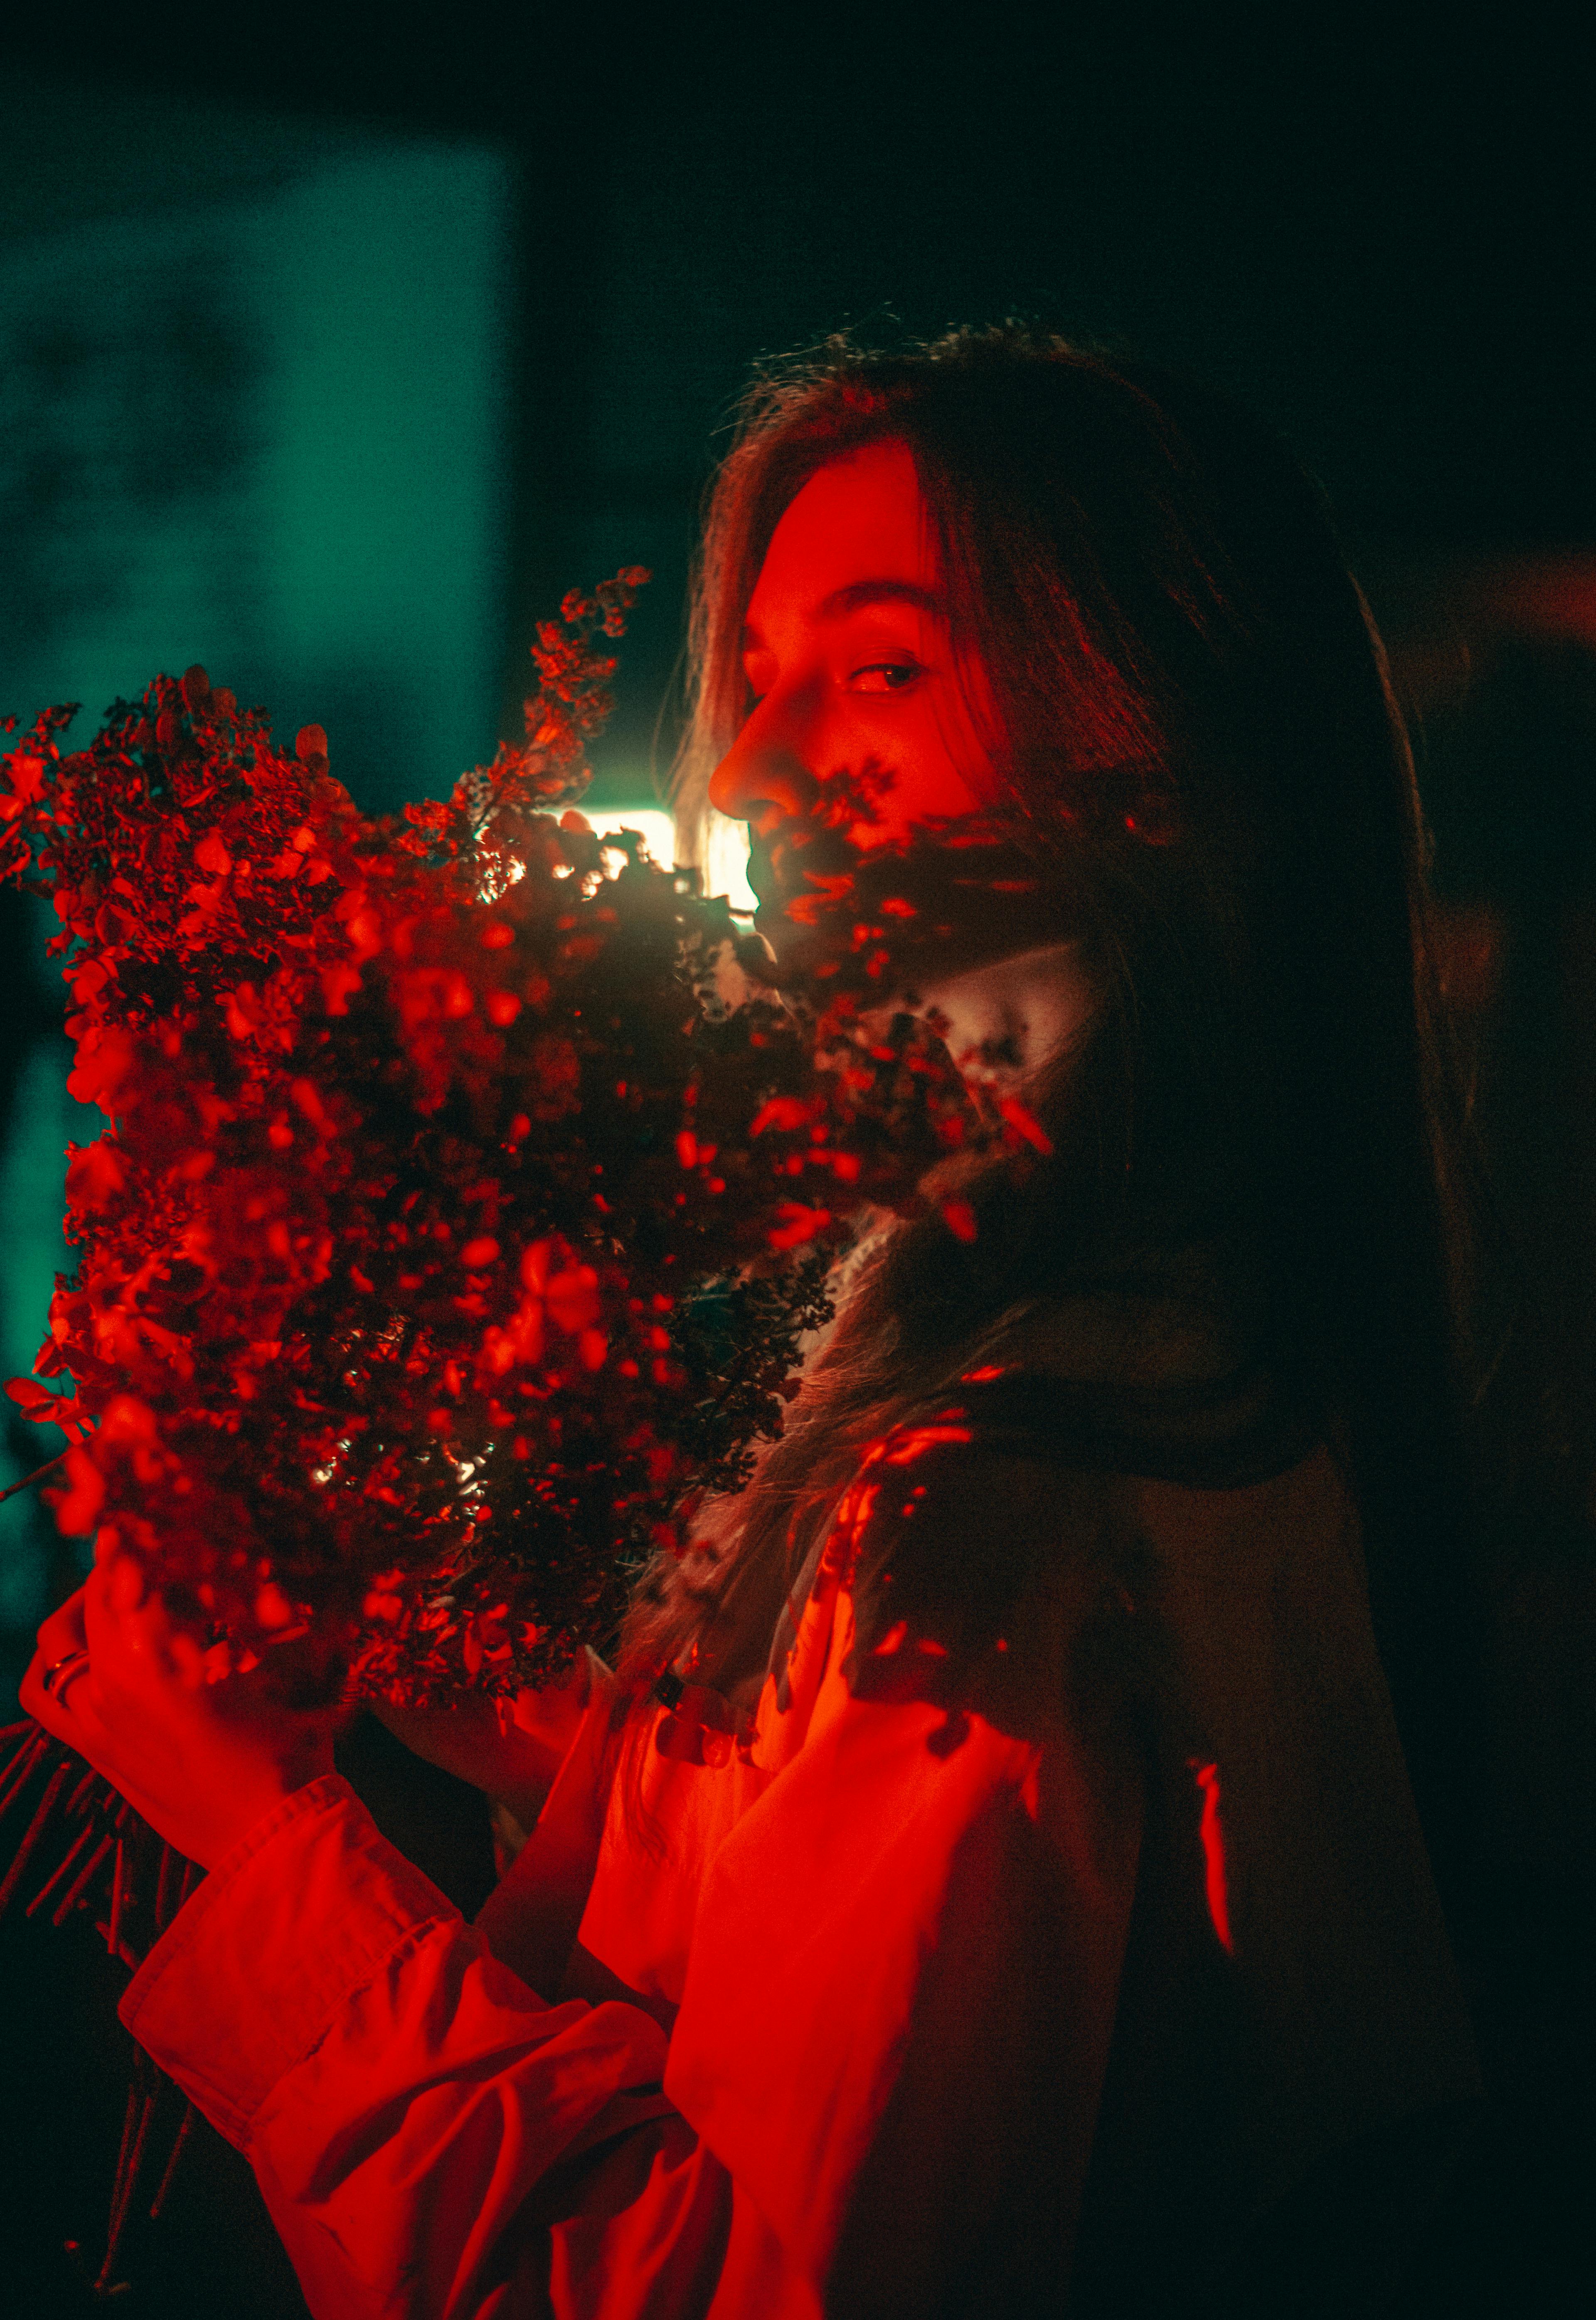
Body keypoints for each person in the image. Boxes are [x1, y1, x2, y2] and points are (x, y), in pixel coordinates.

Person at [22, 327, 1488, 2317]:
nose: (741, 769)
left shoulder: (1002, 1498)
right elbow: (859, 1890)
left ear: (1163, 771)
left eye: (879, 668)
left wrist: (257, 1833)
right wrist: (479, 1692)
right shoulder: (1141, 1365)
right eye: (763, 679)